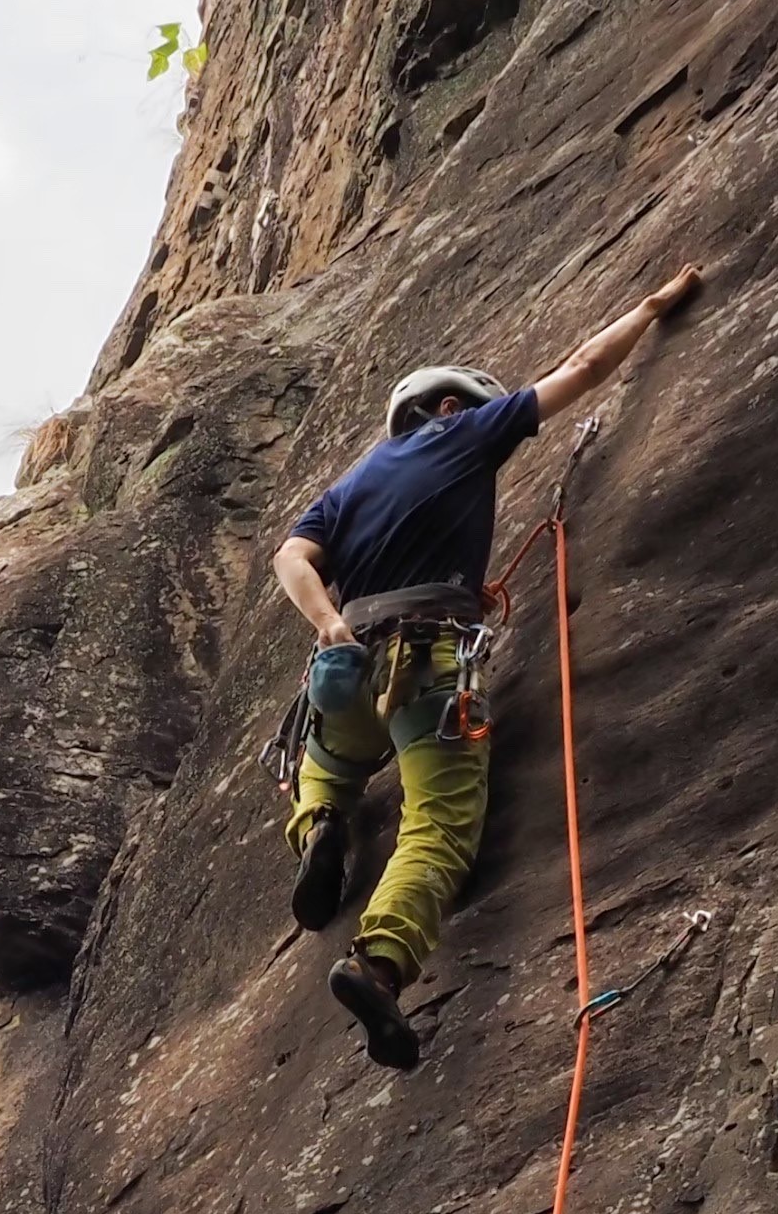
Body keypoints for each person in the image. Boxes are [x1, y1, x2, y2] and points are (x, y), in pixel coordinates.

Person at [272, 264, 703, 1070]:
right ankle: (378, 965)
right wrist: (648, 307)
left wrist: (329, 621)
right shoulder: (463, 432)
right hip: (428, 661)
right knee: (437, 828)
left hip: (346, 665)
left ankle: (323, 824)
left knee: (326, 764)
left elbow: (290, 557)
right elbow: (578, 369)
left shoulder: (349, 485)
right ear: (445, 408)